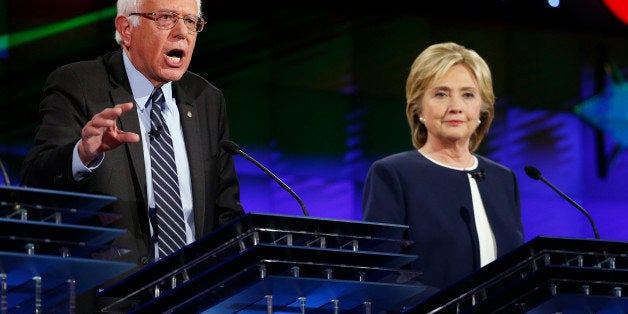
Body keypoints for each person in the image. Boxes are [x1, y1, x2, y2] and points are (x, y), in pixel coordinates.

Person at [21, 0, 245, 311]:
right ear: (126, 29)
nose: (182, 33)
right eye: (166, 18)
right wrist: (82, 154)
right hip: (109, 300)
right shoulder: (79, 85)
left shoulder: (207, 99)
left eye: (192, 22)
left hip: (193, 299)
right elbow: (34, 180)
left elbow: (225, 213)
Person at [362, 42, 524, 308]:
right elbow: (380, 274)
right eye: (441, 94)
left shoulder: (503, 179)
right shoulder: (394, 174)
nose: (456, 106)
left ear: (482, 110)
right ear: (418, 109)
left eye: (468, 95)